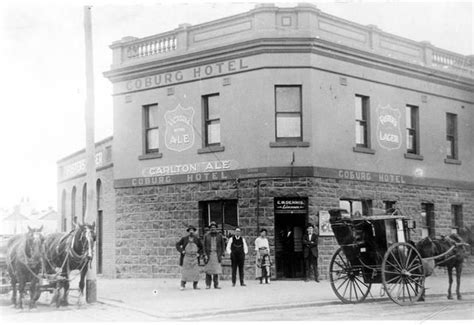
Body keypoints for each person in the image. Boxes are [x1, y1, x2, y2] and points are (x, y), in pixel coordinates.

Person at [175, 225, 203, 290]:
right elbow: (177, 245)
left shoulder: (197, 239)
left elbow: (201, 247)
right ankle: (182, 285)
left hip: (194, 258)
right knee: (185, 272)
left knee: (195, 272)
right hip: (186, 258)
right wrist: (182, 251)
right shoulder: (184, 239)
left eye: (192, 230)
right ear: (188, 231)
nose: (191, 232)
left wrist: (199, 253)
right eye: (190, 230)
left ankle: (195, 285)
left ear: (194, 231)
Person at [203, 222, 225, 289]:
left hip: (216, 254)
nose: (213, 229)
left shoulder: (219, 236)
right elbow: (203, 246)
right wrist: (205, 254)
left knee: (216, 271)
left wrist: (222, 254)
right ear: (210, 229)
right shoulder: (206, 236)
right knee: (208, 271)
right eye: (212, 228)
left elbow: (223, 245)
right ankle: (208, 284)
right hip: (209, 255)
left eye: (214, 227)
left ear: (216, 228)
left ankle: (216, 285)